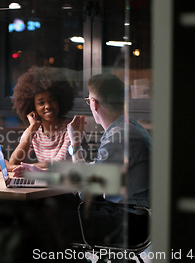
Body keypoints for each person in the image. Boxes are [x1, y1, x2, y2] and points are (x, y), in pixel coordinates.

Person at [63, 73, 151, 246]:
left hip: (127, 223)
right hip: (131, 216)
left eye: (89, 101)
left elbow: (85, 193)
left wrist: (75, 145)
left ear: (94, 104)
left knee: (44, 221)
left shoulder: (119, 136)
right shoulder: (129, 128)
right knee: (57, 206)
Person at [5, 66, 77, 174]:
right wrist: (32, 127)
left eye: (52, 100)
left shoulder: (72, 127)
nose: (47, 106)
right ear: (32, 107)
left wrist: (18, 167)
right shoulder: (34, 130)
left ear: (60, 101)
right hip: (47, 186)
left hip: (71, 187)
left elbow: (58, 164)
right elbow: (14, 161)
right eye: (41, 103)